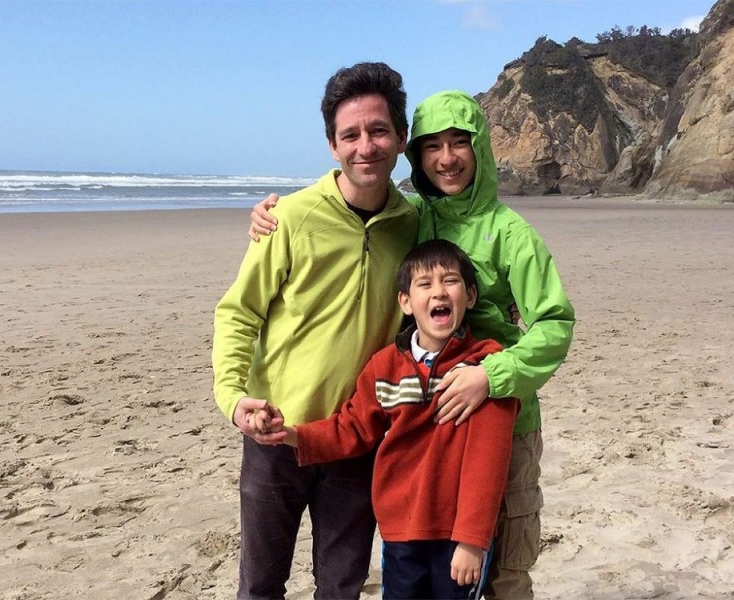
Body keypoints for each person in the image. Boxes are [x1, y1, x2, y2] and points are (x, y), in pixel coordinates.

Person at [249, 89, 575, 599]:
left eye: (459, 143)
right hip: (422, 420)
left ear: (480, 148)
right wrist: (276, 211)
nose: (447, 158)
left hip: (498, 413)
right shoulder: (412, 215)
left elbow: (554, 325)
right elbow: (352, 203)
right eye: (432, 146)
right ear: (414, 153)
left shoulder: (513, 234)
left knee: (504, 572)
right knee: (422, 562)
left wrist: (490, 376)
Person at [212, 62, 420, 600]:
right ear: (332, 145)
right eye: (350, 135)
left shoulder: (414, 224)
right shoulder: (289, 217)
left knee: (342, 588)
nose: (365, 146)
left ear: (401, 138)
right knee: (260, 587)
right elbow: (238, 313)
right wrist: (233, 399)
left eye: (378, 131)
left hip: (355, 437)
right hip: (275, 433)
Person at [253, 239, 519, 600]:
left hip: (457, 535)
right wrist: (291, 434)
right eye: (424, 284)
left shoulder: (487, 367)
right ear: (405, 302)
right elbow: (352, 428)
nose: (439, 292)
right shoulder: (385, 366)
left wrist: (472, 540)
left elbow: (489, 460)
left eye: (450, 281)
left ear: (470, 296)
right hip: (400, 531)